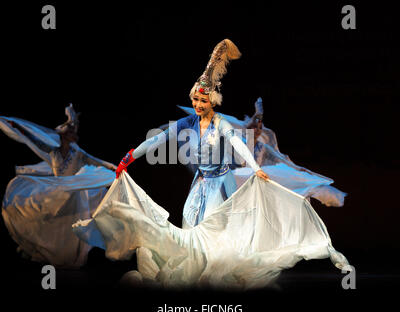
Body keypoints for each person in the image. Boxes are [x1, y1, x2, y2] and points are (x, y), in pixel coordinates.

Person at [73, 40, 350, 289]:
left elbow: (239, 144)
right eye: (195, 99)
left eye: (203, 100)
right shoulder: (188, 123)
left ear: (212, 101)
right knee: (190, 225)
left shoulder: (221, 124)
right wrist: (128, 157)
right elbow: (157, 140)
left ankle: (214, 277)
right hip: (200, 185)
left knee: (213, 233)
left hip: (220, 184)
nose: (197, 104)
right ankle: (197, 275)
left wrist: (255, 168)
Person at [0, 104, 116, 267]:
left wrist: (113, 167)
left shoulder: (77, 152)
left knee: (85, 197)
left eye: (74, 131)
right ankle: (55, 251)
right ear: (64, 136)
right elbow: (33, 140)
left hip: (72, 186)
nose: (75, 134)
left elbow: (95, 161)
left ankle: (73, 251)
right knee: (49, 210)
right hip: (57, 187)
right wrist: (19, 128)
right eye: (71, 132)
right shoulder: (52, 151)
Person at [177, 97, 347, 207]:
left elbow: (283, 162)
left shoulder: (263, 148)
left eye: (259, 128)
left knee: (280, 174)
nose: (257, 130)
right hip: (232, 182)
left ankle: (315, 189)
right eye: (254, 127)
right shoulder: (237, 141)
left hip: (254, 183)